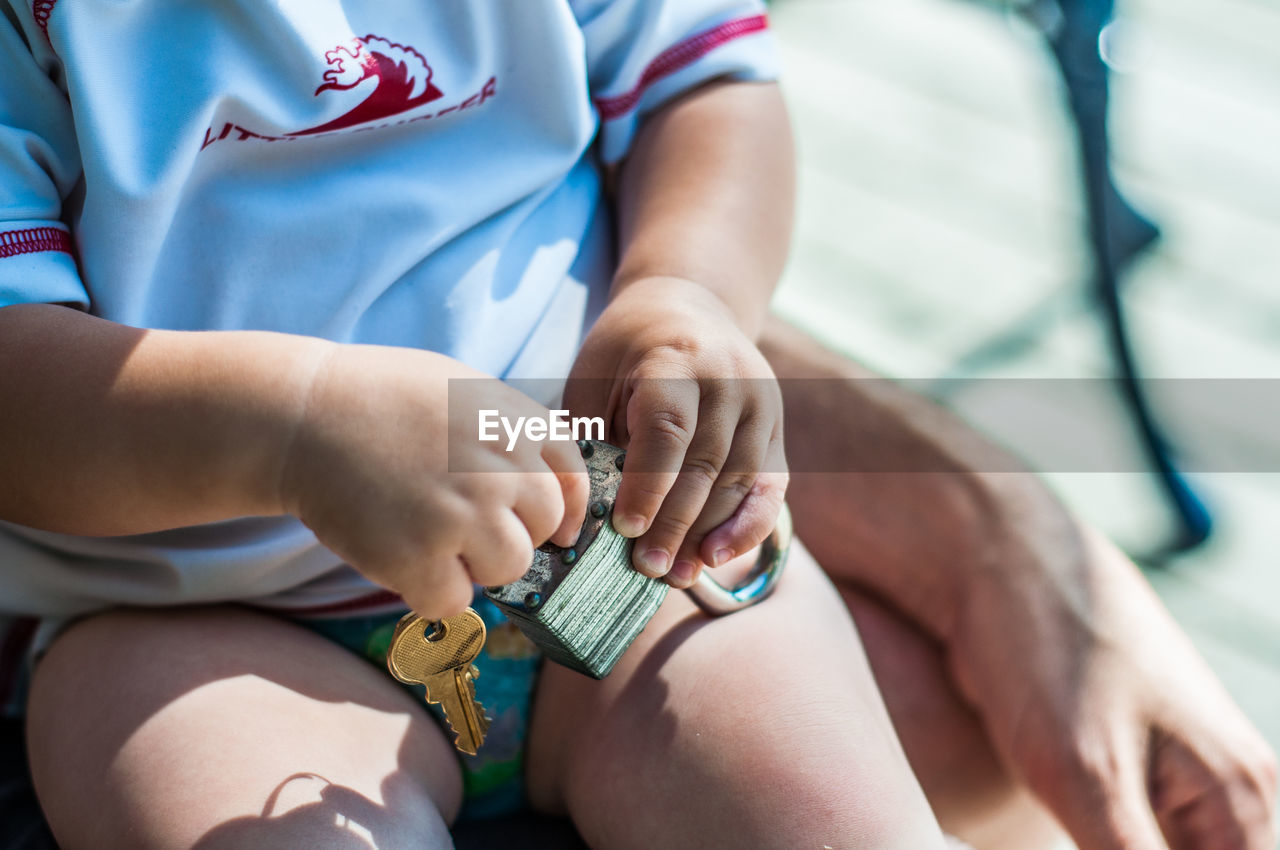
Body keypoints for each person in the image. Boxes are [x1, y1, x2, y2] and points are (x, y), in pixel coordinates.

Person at [0, 3, 1273, 850]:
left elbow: (706, 85)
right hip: (192, 629)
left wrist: (684, 294)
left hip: (622, 551)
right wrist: (290, 425)